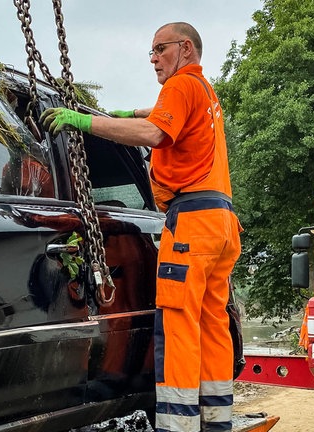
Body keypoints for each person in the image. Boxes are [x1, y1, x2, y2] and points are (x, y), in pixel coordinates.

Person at [41, 22, 242, 432]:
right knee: (212, 322)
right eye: (150, 52)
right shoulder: (203, 91)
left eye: (159, 49)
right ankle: (216, 420)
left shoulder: (181, 85)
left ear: (185, 49)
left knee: (179, 324)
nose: (152, 59)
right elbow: (158, 117)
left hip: (191, 223)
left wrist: (84, 122)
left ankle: (178, 425)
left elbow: (154, 133)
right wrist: (127, 113)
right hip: (220, 223)